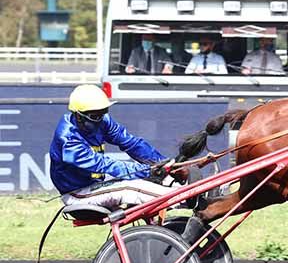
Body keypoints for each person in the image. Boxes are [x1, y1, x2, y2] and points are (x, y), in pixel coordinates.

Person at [49, 84, 187, 210]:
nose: (101, 119)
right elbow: (104, 164)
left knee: (165, 179)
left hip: (97, 184)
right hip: (77, 193)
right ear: (79, 116)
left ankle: (188, 195)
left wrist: (162, 164)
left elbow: (131, 143)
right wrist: (147, 171)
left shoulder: (103, 121)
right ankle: (185, 199)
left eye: (103, 112)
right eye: (95, 115)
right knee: (130, 187)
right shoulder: (67, 138)